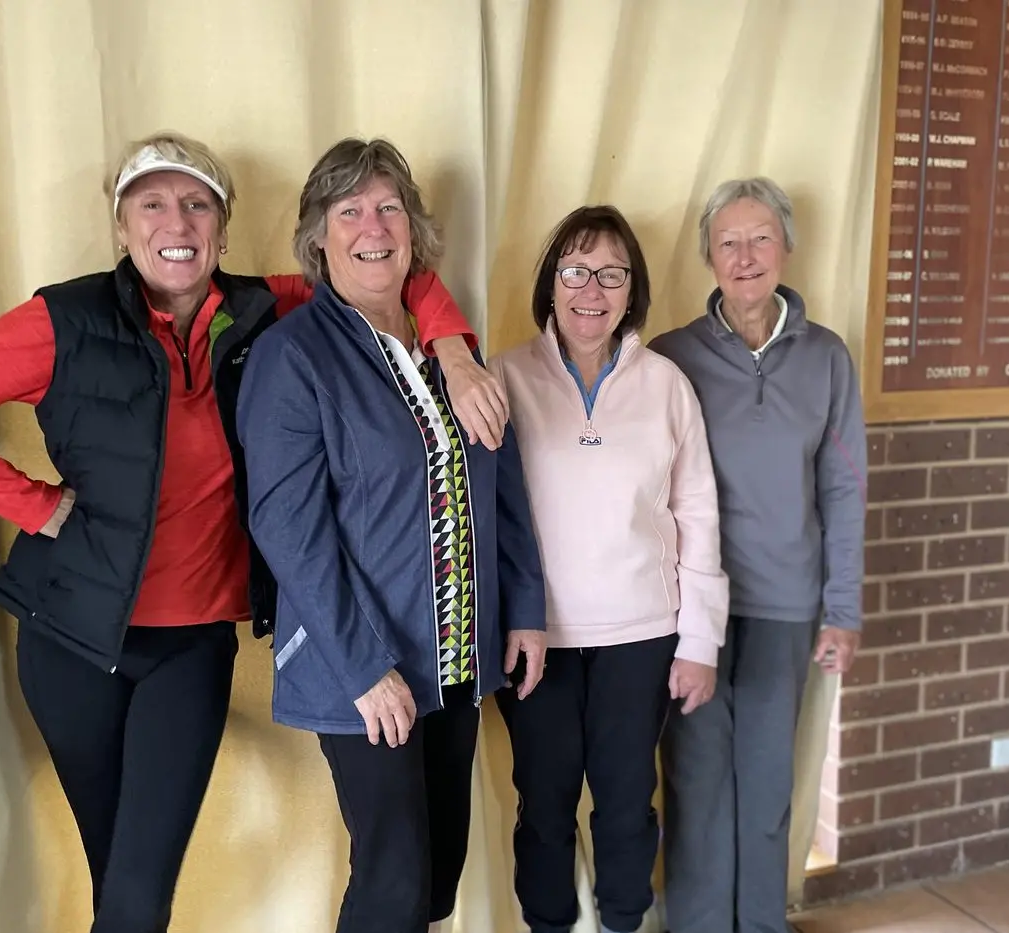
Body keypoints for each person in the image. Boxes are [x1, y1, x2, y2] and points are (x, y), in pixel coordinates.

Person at [0, 130, 506, 933]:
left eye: (198, 203)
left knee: (138, 888)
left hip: (192, 645)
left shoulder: (269, 306)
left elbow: (390, 275)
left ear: (224, 229)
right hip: (71, 637)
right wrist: (31, 504)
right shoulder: (64, 320)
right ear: (122, 228)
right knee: (122, 884)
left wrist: (454, 345)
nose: (178, 220)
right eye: (153, 203)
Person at [235, 137, 548, 933]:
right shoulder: (291, 356)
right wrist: (364, 667)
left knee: (436, 876)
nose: (372, 225)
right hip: (364, 669)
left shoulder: (454, 356)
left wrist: (526, 608)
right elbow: (286, 525)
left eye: (388, 207)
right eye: (350, 210)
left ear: (413, 231)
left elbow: (502, 493)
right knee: (394, 880)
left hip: (453, 656)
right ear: (318, 237)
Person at [488, 205, 730, 933]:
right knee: (545, 802)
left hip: (642, 635)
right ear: (550, 284)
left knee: (627, 800)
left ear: (632, 290)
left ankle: (624, 922)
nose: (591, 289)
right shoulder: (502, 378)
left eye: (611, 274)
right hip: (536, 641)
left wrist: (699, 642)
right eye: (574, 270)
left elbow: (698, 513)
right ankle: (549, 925)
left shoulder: (665, 385)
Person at [648, 177, 867, 933]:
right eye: (729, 241)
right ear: (708, 255)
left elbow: (843, 488)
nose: (745, 256)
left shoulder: (828, 359)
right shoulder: (670, 358)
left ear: (787, 248)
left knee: (767, 783)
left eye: (760, 238)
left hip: (784, 607)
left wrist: (843, 610)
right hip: (691, 617)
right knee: (698, 783)